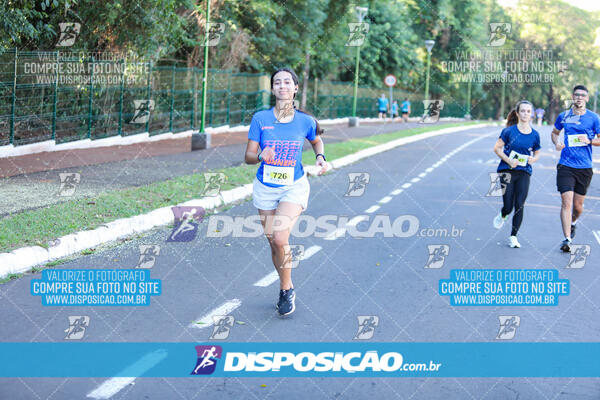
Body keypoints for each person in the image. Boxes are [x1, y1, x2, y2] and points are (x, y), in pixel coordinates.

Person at [245, 67, 328, 316]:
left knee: (281, 238)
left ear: (295, 88)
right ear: (272, 89)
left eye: (287, 82)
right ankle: (285, 286)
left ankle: (286, 288)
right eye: (277, 82)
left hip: (294, 185)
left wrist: (321, 157)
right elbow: (248, 156)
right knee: (273, 243)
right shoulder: (260, 118)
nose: (282, 86)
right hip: (265, 188)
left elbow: (316, 140)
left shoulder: (305, 121)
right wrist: (260, 155)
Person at [551, 85, 600, 252]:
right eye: (577, 95)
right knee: (566, 202)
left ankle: (573, 223)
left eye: (582, 95)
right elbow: (555, 132)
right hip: (566, 165)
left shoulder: (594, 118)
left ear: (587, 98)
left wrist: (589, 140)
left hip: (585, 168)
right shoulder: (564, 116)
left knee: (578, 207)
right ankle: (566, 239)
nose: (579, 98)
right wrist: (556, 142)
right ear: (573, 97)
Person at [492, 100, 541, 248]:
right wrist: (508, 160)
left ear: (531, 114)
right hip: (506, 171)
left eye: (528, 111)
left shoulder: (535, 134)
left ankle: (513, 236)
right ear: (517, 113)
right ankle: (503, 214)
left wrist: (534, 159)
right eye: (523, 111)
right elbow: (497, 148)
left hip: (524, 172)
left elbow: (537, 152)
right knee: (508, 205)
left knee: (519, 204)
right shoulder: (509, 131)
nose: (526, 113)